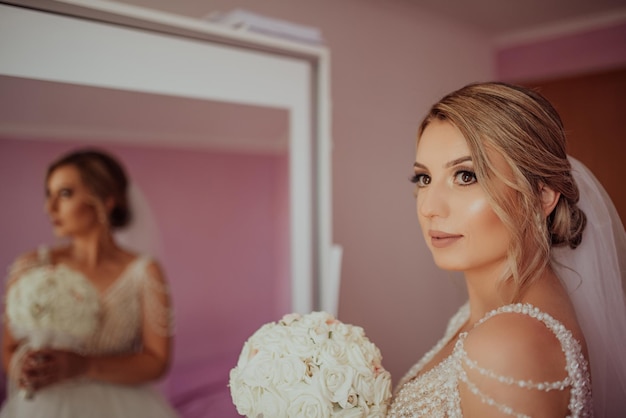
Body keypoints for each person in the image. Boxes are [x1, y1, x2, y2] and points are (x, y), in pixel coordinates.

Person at [388, 82, 626, 417]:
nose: (429, 207)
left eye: (466, 176)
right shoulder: (481, 318)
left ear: (543, 196)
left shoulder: (507, 345)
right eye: (424, 179)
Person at [0, 149, 179, 417]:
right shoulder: (31, 265)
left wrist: (84, 366)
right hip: (45, 405)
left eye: (65, 194)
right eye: (48, 194)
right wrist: (21, 369)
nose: (49, 208)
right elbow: (8, 347)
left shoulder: (143, 272)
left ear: (106, 200)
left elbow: (157, 361)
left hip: (122, 407)